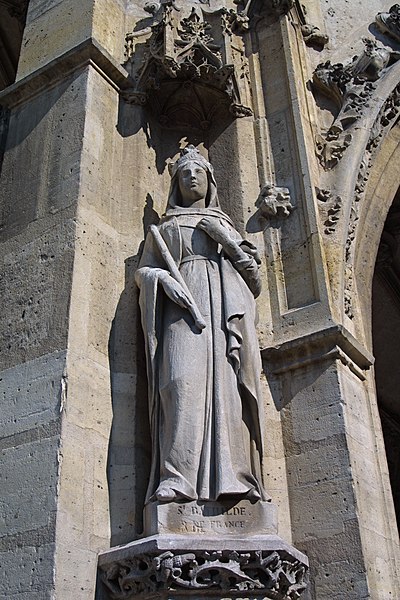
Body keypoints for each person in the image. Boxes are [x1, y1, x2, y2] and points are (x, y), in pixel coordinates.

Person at [135, 145, 267, 504]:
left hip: (223, 315)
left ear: (210, 180)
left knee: (227, 391)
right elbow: (144, 271)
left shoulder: (222, 224)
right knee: (178, 384)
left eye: (197, 172)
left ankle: (235, 477)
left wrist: (225, 239)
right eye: (183, 173)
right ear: (176, 183)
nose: (191, 177)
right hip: (181, 313)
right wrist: (162, 283)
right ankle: (177, 478)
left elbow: (254, 282)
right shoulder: (163, 228)